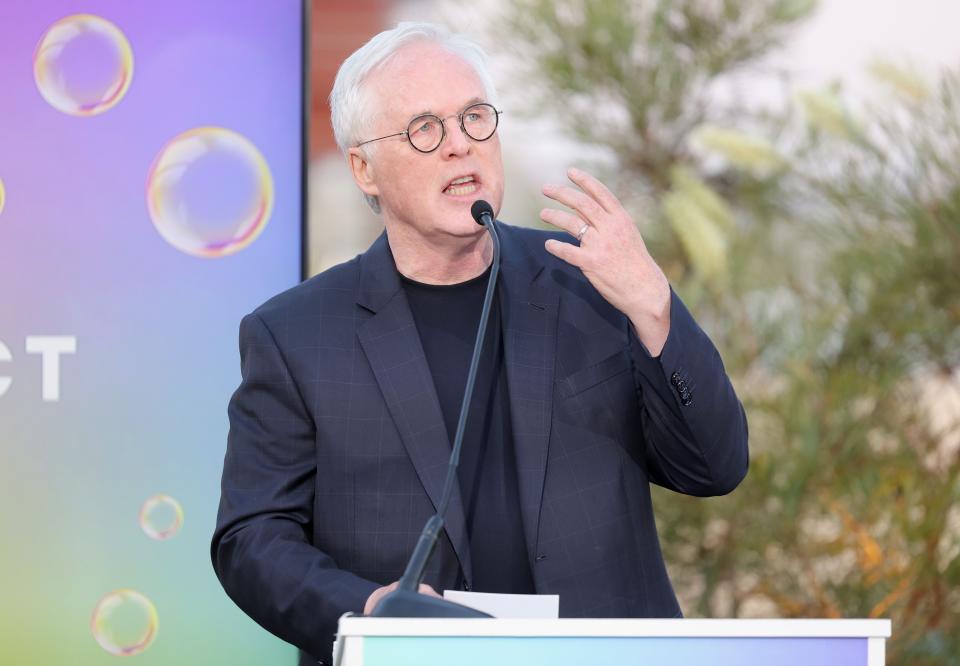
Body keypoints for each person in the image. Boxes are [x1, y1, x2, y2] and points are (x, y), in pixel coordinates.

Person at [211, 22, 748, 666]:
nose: (459, 147)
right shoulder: (295, 334)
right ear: (364, 168)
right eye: (424, 129)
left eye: (473, 118)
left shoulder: (588, 285)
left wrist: (654, 307)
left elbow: (714, 467)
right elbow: (253, 537)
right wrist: (362, 613)